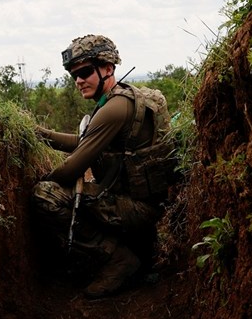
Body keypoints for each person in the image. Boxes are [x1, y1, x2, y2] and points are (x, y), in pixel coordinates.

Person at [32, 34, 172, 299]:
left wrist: (44, 177)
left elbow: (73, 169)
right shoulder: (122, 99)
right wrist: (39, 134)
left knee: (46, 195)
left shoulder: (114, 108)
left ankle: (118, 260)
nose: (78, 81)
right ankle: (128, 252)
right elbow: (85, 141)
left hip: (137, 210)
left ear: (108, 68)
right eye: (74, 75)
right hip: (141, 205)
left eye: (85, 72)